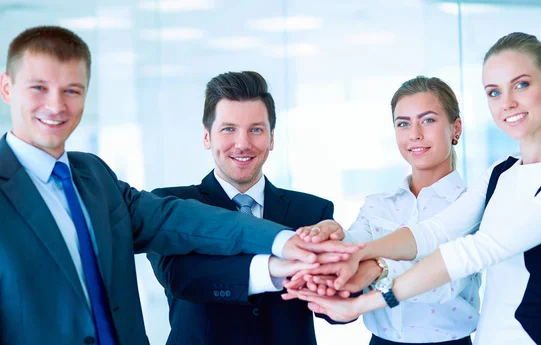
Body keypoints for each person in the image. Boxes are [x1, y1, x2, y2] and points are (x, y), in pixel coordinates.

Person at [0, 26, 359, 345]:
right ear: (7, 87)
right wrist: (286, 258)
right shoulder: (170, 194)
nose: (56, 104)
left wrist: (291, 243)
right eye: (38, 88)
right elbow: (183, 275)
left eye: (72, 90)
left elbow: (182, 220)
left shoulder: (94, 176)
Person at [286, 32, 541, 345]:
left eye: (521, 85)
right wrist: (357, 253)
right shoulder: (502, 171)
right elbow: (435, 232)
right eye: (493, 92)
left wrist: (365, 298)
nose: (507, 103)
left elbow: (473, 250)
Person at [147, 71, 341, 345]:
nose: (243, 143)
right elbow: (181, 278)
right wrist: (278, 267)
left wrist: (339, 261)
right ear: (206, 137)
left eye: (256, 129)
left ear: (272, 138)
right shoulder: (171, 206)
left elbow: (340, 313)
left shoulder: (312, 212)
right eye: (228, 129)